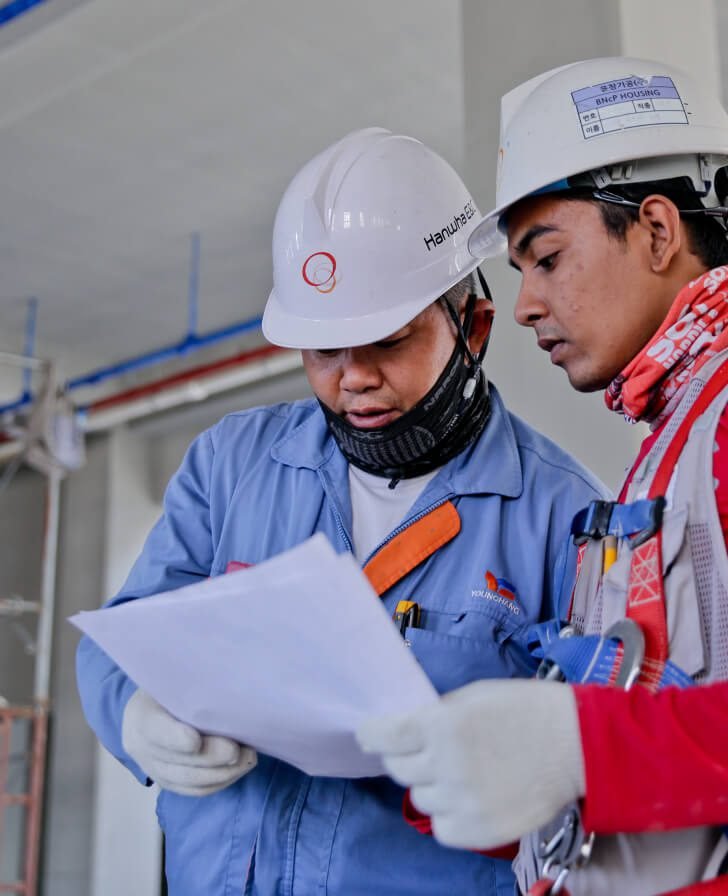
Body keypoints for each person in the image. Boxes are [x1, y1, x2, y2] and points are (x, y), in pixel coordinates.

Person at [76, 126, 605, 896]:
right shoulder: (231, 467)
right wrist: (134, 714)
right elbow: (124, 634)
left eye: (387, 342)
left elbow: (596, 775)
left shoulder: (564, 518)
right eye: (324, 350)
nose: (352, 378)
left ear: (474, 327)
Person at [356, 59, 728, 896]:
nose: (523, 305)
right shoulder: (673, 441)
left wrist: (579, 747)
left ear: (659, 232)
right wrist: (485, 771)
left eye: (546, 258)